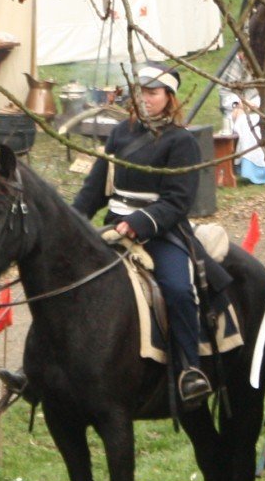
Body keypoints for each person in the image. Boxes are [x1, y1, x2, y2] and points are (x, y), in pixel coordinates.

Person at [71, 63, 215, 408]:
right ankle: (40, 369)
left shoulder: (182, 142)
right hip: (113, 227)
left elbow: (178, 201)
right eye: (142, 92)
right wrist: (73, 222)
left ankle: (189, 370)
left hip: (159, 233)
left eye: (153, 93)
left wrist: (140, 222)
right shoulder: (121, 133)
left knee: (179, 291)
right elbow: (95, 188)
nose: (145, 99)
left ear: (169, 97)